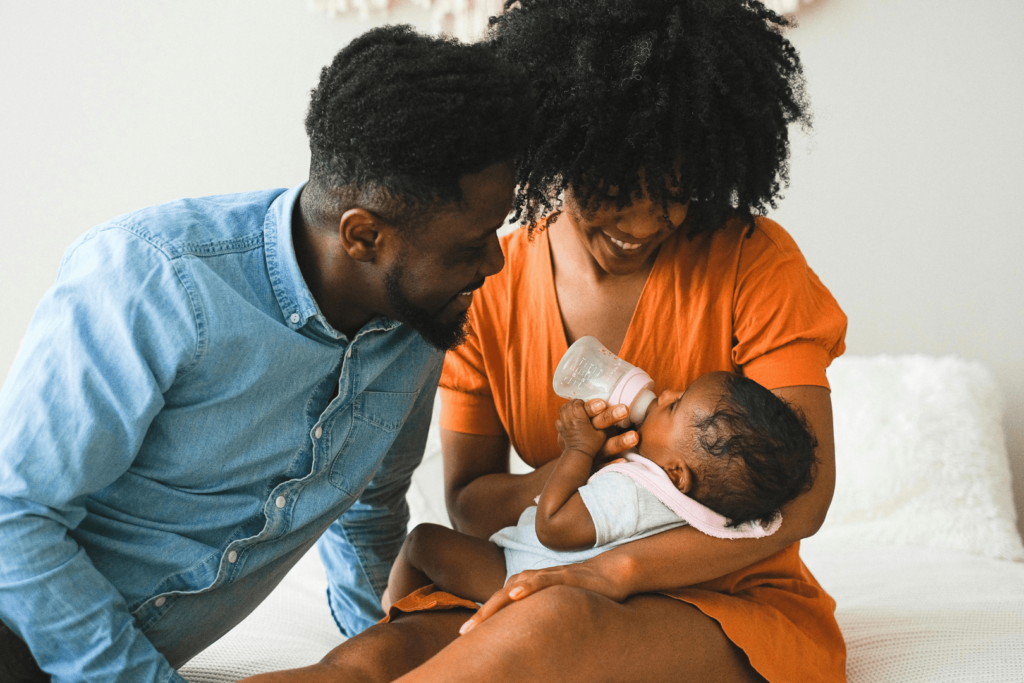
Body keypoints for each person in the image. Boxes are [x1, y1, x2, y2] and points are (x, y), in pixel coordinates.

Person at [244, 1, 848, 682]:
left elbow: (806, 496)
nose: (649, 221)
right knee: (366, 660)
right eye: (620, 188)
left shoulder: (754, 262)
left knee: (554, 621)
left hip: (726, 594)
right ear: (563, 150)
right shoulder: (487, 286)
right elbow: (470, 502)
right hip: (540, 568)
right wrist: (570, 470)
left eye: (677, 192)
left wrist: (611, 570)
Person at [0, 25, 533, 683]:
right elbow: (14, 515)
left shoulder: (418, 323)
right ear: (363, 235)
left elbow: (369, 506)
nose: (495, 261)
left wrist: (386, 651)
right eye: (469, 244)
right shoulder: (153, 279)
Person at [384, 371, 818, 611]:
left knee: (423, 541)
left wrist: (577, 450)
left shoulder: (631, 492)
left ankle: (388, 617)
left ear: (676, 472)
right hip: (576, 598)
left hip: (517, 568)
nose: (665, 391)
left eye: (674, 405)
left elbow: (553, 527)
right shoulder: (698, 508)